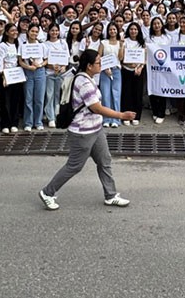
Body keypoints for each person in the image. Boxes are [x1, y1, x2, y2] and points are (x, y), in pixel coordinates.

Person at [38, 49, 133, 211]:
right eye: (98, 62)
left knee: (104, 161)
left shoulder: (87, 77)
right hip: (82, 132)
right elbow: (96, 108)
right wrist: (121, 115)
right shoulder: (84, 83)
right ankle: (48, 192)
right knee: (74, 166)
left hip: (96, 129)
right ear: (89, 66)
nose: (101, 64)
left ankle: (110, 195)